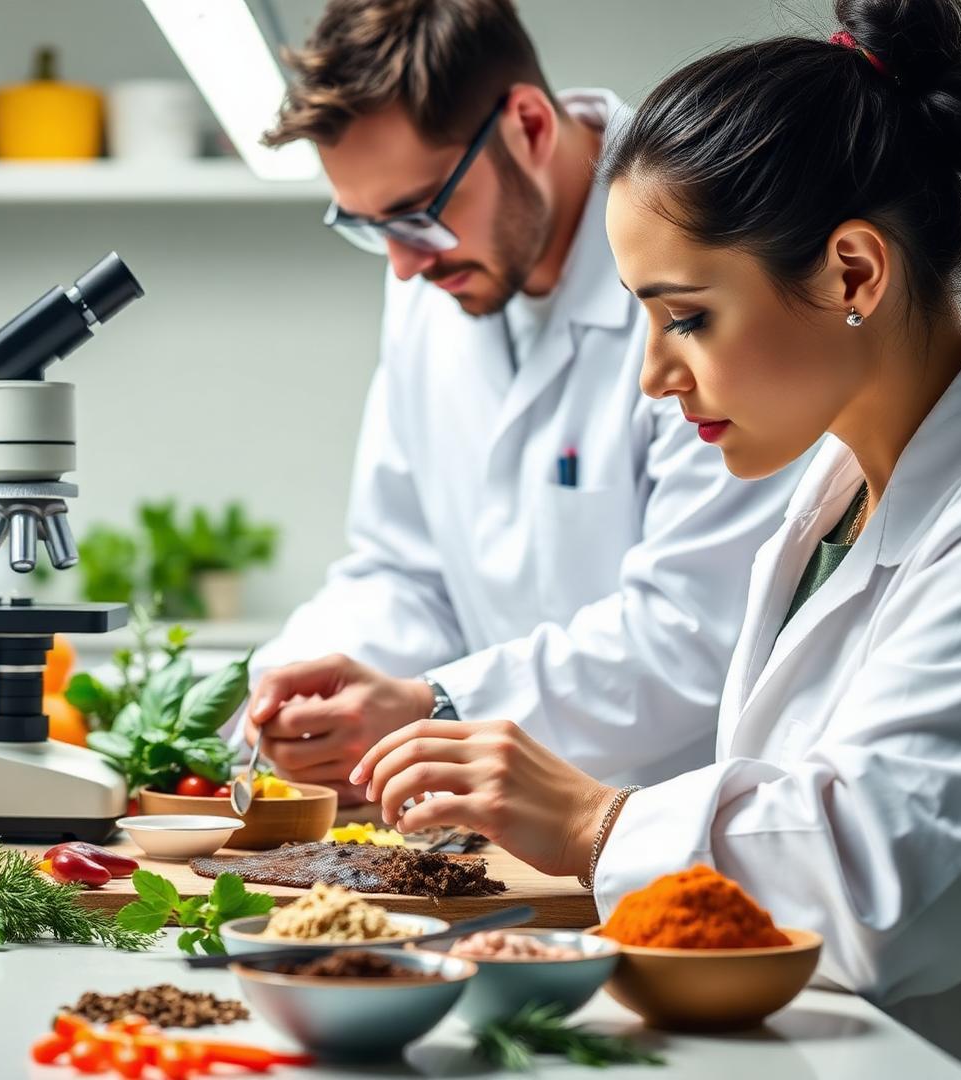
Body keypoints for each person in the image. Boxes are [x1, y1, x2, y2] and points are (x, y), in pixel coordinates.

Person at [349, 0, 961, 1074]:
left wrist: (593, 821)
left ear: (854, 273)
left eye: (687, 318)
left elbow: (871, 893)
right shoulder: (839, 491)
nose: (654, 378)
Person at [242, 0, 802, 799]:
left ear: (530, 126)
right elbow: (406, 569)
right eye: (370, 227)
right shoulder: (432, 275)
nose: (403, 265)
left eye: (419, 213)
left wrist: (438, 707)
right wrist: (290, 692)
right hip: (504, 826)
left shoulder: (699, 245)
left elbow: (697, 626)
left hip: (681, 821)